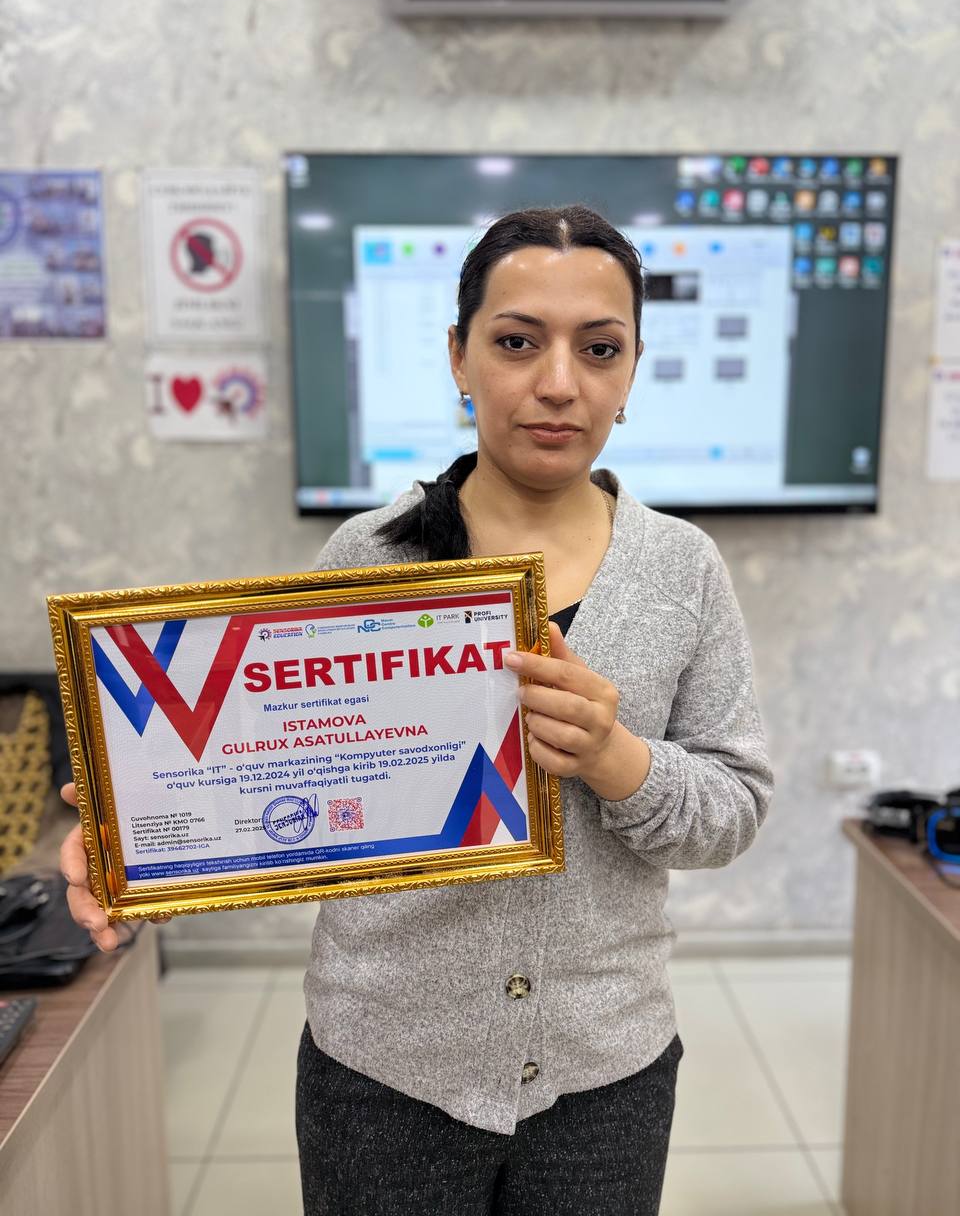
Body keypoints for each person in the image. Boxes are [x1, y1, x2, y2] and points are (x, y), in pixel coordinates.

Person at [60, 204, 773, 1215]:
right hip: (383, 1072)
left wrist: (617, 758)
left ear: (631, 370)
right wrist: (136, 833)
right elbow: (268, 778)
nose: (559, 382)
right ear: (458, 355)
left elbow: (735, 806)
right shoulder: (367, 557)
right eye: (517, 341)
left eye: (599, 348)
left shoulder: (684, 570)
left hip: (605, 1073)